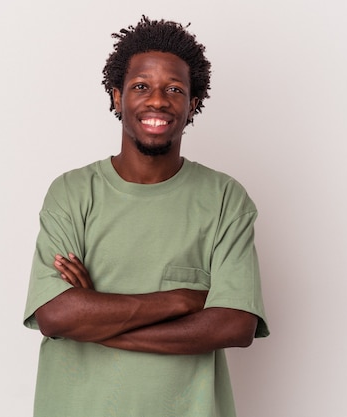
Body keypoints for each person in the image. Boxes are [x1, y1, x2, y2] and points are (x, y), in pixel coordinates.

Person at [23, 15, 269, 417]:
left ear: (192, 104)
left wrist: (96, 315)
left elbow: (234, 326)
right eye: (141, 87)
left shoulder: (225, 199)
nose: (157, 100)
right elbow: (55, 314)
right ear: (117, 97)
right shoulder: (71, 193)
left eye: (173, 89)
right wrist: (182, 300)